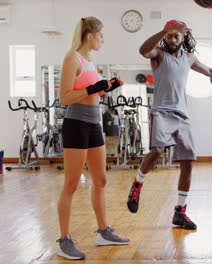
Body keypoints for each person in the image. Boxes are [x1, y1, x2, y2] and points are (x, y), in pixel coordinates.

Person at [127, 20, 212, 230]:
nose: (171, 40)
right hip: (161, 111)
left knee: (188, 163)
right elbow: (143, 50)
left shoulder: (188, 58)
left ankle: (180, 212)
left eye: (175, 36)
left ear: (183, 36)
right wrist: (163, 29)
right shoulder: (159, 55)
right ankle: (137, 184)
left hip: (181, 115)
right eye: (169, 36)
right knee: (158, 150)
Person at [57, 16, 129, 260]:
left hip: (94, 123)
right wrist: (90, 89)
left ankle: (102, 231)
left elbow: (90, 92)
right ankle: (64, 239)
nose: (103, 40)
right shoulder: (72, 58)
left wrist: (104, 88)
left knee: (101, 180)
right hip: (76, 124)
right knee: (71, 184)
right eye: (101, 36)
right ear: (90, 35)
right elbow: (65, 98)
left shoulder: (90, 61)